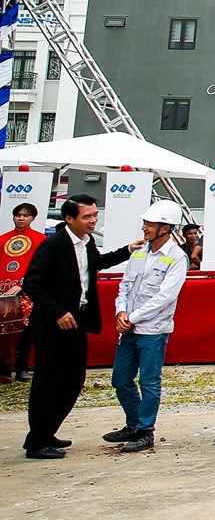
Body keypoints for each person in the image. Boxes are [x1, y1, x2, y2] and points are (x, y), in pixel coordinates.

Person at [21, 194, 136, 459]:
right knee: (49, 382)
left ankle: (47, 431)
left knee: (73, 380)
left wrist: (128, 250)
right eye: (87, 217)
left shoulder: (87, 242)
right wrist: (57, 312)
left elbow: (96, 263)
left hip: (78, 322)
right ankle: (36, 442)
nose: (93, 220)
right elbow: (33, 283)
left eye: (95, 215)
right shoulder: (53, 245)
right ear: (69, 219)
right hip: (54, 326)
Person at [104, 201, 191, 452]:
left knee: (149, 382)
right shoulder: (140, 252)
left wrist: (133, 317)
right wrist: (121, 311)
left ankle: (145, 431)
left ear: (166, 228)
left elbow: (165, 296)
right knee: (120, 380)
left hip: (153, 330)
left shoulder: (176, 257)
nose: (144, 228)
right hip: (129, 327)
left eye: (150, 224)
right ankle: (134, 424)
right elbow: (125, 285)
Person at [0, 201, 45, 383]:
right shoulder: (2, 239)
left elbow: (42, 267)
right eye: (18, 215)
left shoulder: (41, 240)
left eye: (25, 215)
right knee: (3, 332)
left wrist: (24, 284)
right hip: (3, 292)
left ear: (33, 218)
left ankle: (22, 367)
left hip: (26, 292)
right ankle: (3, 369)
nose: (21, 218)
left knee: (25, 330)